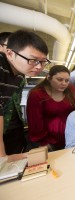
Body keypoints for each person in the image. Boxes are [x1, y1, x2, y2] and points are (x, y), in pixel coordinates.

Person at [0, 30, 49, 159]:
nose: (39, 67)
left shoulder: (20, 75)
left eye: (43, 61)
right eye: (33, 60)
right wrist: (2, 155)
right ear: (10, 53)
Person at [26, 65, 75, 151]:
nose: (64, 83)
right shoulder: (37, 94)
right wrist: (43, 142)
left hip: (72, 137)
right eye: (59, 79)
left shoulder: (74, 91)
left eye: (67, 80)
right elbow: (35, 121)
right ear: (49, 77)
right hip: (48, 141)